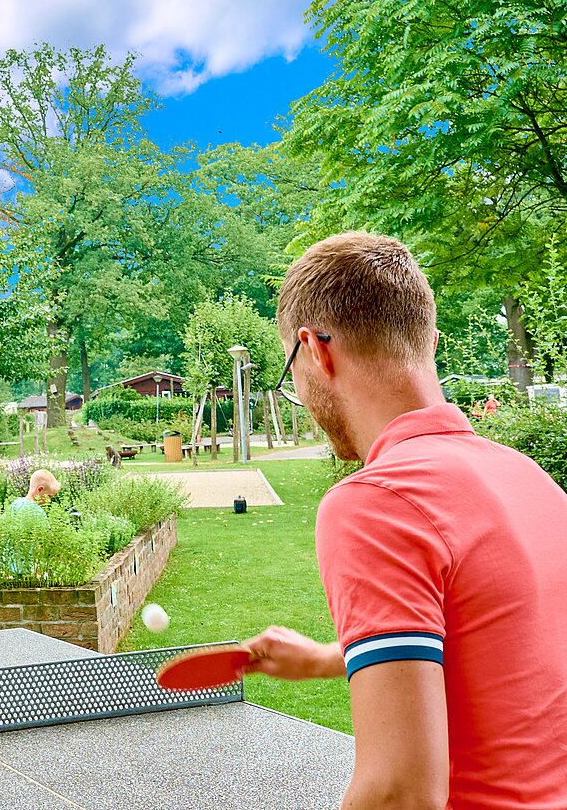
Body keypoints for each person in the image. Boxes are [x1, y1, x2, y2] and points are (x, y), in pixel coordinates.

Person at [243, 232, 567, 809]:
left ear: (316, 350)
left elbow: (401, 793)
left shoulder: (376, 503)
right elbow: (496, 640)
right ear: (432, 343)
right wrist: (328, 658)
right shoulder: (531, 480)